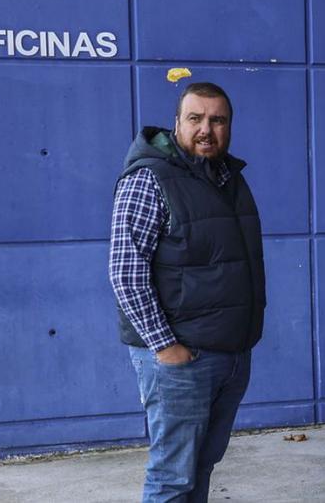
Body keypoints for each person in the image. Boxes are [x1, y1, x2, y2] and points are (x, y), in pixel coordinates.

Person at [109, 81, 265, 502]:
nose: (206, 130)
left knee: (200, 467)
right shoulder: (149, 179)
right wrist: (166, 347)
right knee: (172, 477)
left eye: (217, 120)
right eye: (195, 118)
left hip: (229, 353)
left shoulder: (229, 179)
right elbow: (126, 272)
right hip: (181, 358)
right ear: (176, 123)